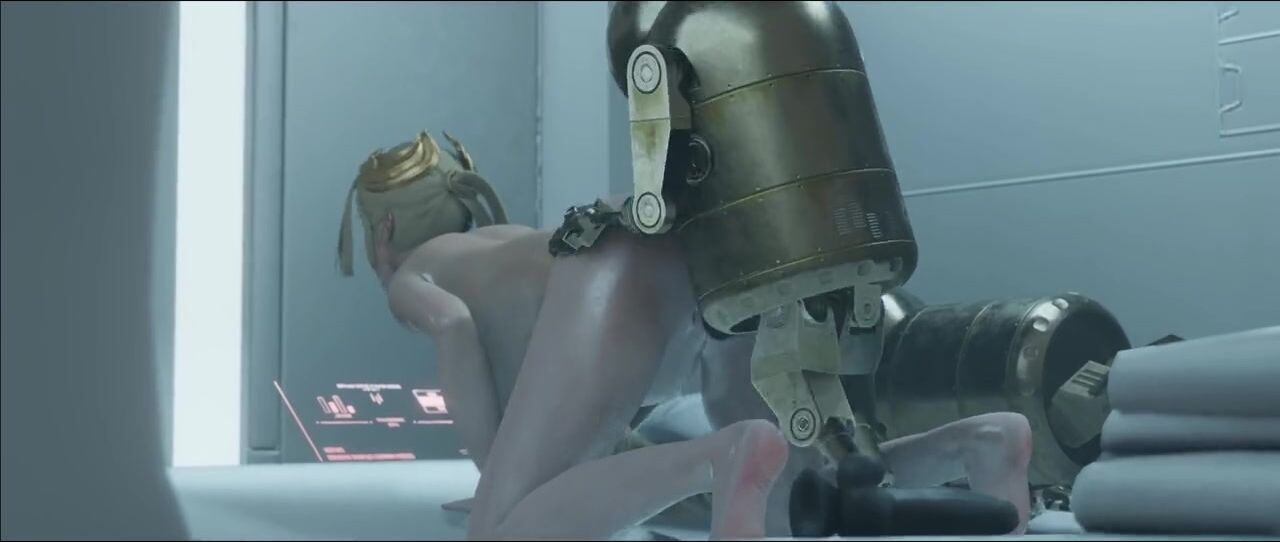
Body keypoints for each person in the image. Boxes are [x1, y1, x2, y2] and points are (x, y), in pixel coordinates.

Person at [337, 129, 1034, 539]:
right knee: (792, 497)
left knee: (503, 530)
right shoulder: (500, 246)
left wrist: (500, 486)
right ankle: (978, 442)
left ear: (384, 230)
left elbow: (453, 328)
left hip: (615, 255)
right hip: (700, 248)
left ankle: (721, 455)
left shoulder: (416, 273)